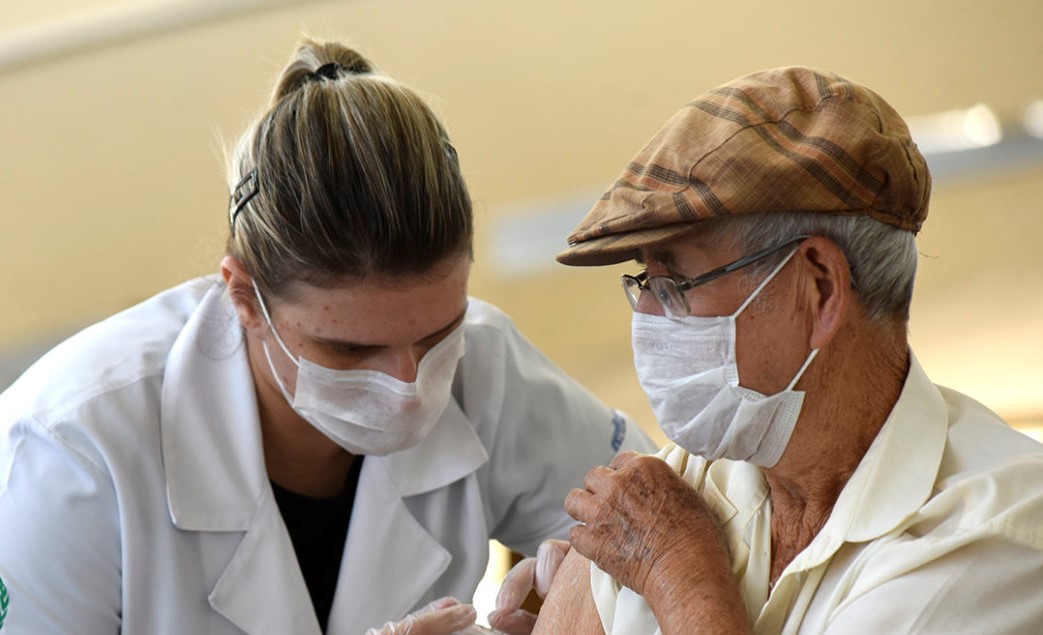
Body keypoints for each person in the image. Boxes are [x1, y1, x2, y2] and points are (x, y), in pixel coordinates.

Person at [0, 38, 655, 635]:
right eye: (350, 350)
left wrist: (575, 598)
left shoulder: (486, 362)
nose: (407, 382)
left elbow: (665, 527)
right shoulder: (69, 451)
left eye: (437, 333)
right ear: (242, 295)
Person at [521, 67, 1043, 634]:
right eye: (644, 284)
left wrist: (680, 575)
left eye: (675, 284)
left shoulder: (997, 529)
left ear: (817, 288)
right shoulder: (688, 478)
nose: (646, 319)